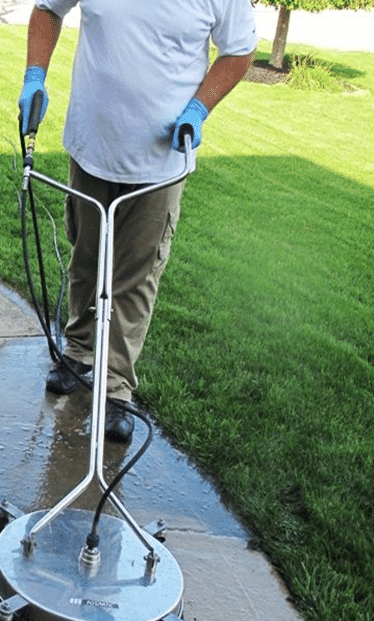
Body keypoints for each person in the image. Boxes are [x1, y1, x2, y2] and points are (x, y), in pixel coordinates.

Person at [19, 0, 257, 442]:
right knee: (86, 259)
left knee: (136, 277)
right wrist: (35, 76)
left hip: (159, 163)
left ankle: (115, 389)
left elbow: (239, 51)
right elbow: (48, 10)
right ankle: (78, 351)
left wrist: (199, 108)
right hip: (91, 146)